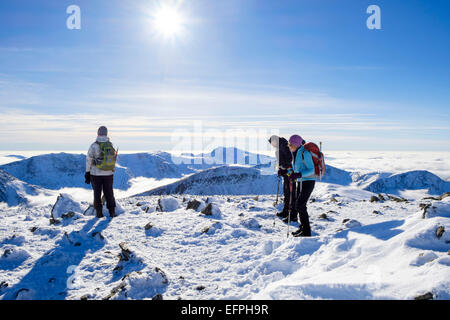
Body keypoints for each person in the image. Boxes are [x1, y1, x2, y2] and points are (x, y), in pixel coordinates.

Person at [85, 126, 117, 218]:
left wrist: (87, 173)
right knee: (109, 192)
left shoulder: (94, 145)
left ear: (98, 133)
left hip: (96, 174)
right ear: (106, 133)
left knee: (97, 193)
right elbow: (113, 159)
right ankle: (112, 212)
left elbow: (88, 159)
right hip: (109, 173)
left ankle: (99, 213)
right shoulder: (110, 145)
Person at [287, 134, 316, 237]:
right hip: (301, 181)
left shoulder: (305, 153)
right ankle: (302, 228)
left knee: (300, 205)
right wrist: (290, 172)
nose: (289, 147)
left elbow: (311, 169)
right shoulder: (296, 153)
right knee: (299, 205)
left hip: (308, 181)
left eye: (291, 145)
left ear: (296, 144)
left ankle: (306, 231)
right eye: (288, 144)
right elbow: (297, 169)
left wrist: (299, 174)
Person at [268, 135, 296, 221]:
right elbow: (282, 159)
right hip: (286, 172)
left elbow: (289, 159)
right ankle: (286, 211)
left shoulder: (284, 145)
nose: (272, 145)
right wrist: (280, 168)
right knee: (287, 192)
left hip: (290, 172)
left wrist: (283, 167)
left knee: (290, 193)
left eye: (272, 143)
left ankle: (293, 214)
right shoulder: (280, 146)